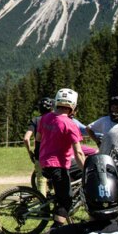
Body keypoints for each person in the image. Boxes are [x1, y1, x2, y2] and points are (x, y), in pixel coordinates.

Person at [36, 88, 87, 226]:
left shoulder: (45, 118)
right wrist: (86, 171)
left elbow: (38, 138)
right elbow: (78, 152)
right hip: (58, 165)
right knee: (66, 201)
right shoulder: (70, 124)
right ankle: (55, 229)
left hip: (44, 162)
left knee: (63, 191)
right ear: (73, 106)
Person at [24, 97, 54, 195]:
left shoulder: (36, 120)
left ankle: (43, 205)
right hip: (54, 154)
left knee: (41, 181)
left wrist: (30, 153)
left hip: (40, 155)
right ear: (52, 108)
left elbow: (26, 138)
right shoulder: (55, 120)